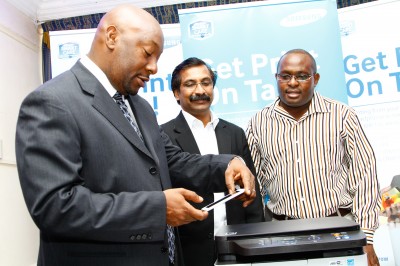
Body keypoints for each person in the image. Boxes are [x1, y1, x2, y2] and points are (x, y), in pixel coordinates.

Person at [15, 5, 257, 266]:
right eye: (148, 53)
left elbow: (172, 161)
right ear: (111, 37)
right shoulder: (52, 102)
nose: (154, 68)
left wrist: (225, 166)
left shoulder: (139, 106)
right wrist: (158, 210)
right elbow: (56, 207)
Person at [246, 49, 381, 266]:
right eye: (285, 76)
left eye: (302, 76)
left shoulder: (342, 115)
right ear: (277, 78)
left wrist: (366, 238)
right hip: (283, 234)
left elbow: (365, 177)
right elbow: (253, 185)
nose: (292, 83)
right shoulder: (258, 123)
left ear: (315, 79)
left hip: (339, 230)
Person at [161, 57, 265, 266]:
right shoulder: (162, 135)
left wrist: (256, 242)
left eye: (206, 82)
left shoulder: (234, 132)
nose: (200, 90)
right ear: (176, 93)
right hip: (189, 250)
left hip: (237, 247)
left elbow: (251, 195)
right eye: (190, 84)